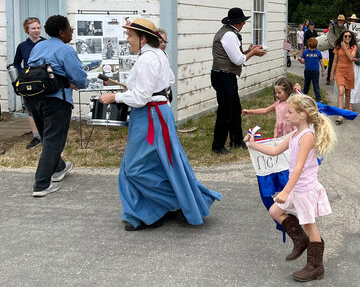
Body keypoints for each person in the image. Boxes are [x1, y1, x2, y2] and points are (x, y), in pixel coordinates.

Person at [99, 18, 221, 230]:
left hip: (150, 114)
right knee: (163, 163)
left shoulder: (147, 59)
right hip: (157, 112)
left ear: (143, 37)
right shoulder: (159, 55)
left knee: (135, 168)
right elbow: (169, 81)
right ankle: (151, 211)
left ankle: (173, 205)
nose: (127, 40)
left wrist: (115, 98)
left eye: (130, 36)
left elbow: (141, 97)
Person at [245, 93, 336, 282]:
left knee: (310, 227)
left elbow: (298, 168)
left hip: (305, 189)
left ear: (303, 115)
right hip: (296, 187)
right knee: (275, 211)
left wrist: (286, 191)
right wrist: (253, 145)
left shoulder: (307, 136)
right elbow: (276, 150)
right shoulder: (294, 134)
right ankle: (300, 240)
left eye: (290, 112)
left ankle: (316, 267)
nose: (286, 115)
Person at [26, 15, 88, 197]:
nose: (71, 33)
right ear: (62, 32)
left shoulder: (38, 46)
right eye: (70, 29)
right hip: (56, 101)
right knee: (54, 141)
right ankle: (41, 185)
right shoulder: (66, 50)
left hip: (34, 99)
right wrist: (73, 82)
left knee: (47, 137)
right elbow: (80, 79)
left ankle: (59, 168)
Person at [210, 7, 267, 154]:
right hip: (224, 76)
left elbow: (236, 55)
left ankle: (236, 141)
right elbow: (237, 60)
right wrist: (253, 53)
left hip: (225, 75)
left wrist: (248, 51)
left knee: (235, 109)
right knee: (225, 111)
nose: (244, 25)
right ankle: (218, 145)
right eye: (243, 22)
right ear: (240, 23)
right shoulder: (229, 35)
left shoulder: (228, 32)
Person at [13, 17, 46, 149]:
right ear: (27, 30)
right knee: (31, 109)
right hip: (28, 82)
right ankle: (37, 136)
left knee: (45, 108)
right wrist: (22, 74)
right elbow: (16, 63)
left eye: (38, 28)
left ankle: (47, 136)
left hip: (43, 80)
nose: (37, 31)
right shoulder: (22, 46)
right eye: (33, 28)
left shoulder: (46, 43)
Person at [330, 30, 356, 124]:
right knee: (341, 91)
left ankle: (346, 111)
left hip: (349, 72)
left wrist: (345, 48)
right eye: (345, 36)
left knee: (348, 93)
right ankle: (340, 115)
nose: (347, 38)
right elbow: (334, 61)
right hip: (340, 71)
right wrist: (331, 74)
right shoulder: (338, 47)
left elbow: (351, 58)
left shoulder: (353, 47)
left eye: (349, 36)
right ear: (342, 37)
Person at [298, 38, 325, 102]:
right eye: (311, 47)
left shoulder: (318, 52)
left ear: (316, 46)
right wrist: (300, 60)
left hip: (315, 71)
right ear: (309, 46)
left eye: (314, 47)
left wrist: (323, 70)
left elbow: (321, 61)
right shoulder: (305, 52)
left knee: (316, 85)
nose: (312, 49)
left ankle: (318, 99)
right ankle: (304, 97)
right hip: (307, 71)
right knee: (306, 85)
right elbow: (303, 61)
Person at [325, 14, 348, 85]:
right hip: (333, 47)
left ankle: (340, 77)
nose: (340, 22)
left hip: (342, 48)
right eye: (339, 20)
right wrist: (336, 45)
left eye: (342, 21)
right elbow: (330, 36)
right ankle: (329, 78)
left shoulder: (345, 30)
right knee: (332, 62)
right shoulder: (333, 28)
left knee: (341, 63)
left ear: (344, 22)